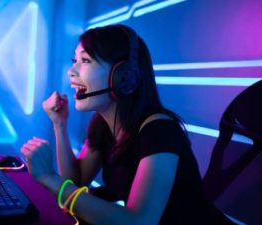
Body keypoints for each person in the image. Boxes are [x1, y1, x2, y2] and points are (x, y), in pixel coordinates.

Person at [21, 24, 234, 225]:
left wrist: (49, 177)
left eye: (85, 61)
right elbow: (75, 182)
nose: (71, 70)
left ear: (123, 76)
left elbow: (139, 222)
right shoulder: (103, 124)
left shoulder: (159, 131)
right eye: (74, 60)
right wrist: (59, 124)